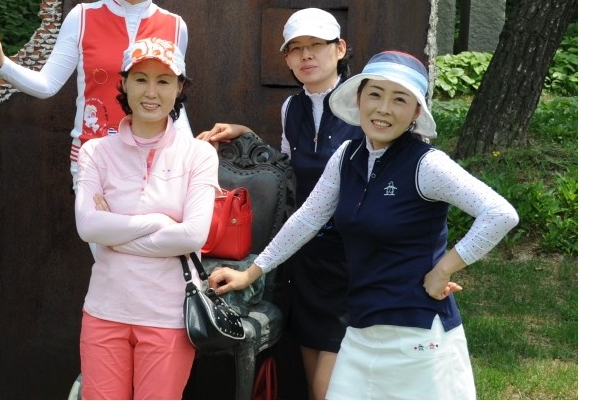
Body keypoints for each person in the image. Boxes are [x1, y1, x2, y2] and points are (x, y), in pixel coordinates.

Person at [208, 50, 519, 400]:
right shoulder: (348, 156)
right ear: (359, 99)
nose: (383, 108)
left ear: (416, 112)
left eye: (399, 99)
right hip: (360, 327)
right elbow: (308, 218)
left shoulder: (427, 165)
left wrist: (443, 269)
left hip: (416, 331)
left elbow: (500, 214)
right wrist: (252, 273)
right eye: (375, 94)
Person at [196, 8, 359, 399]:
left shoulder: (363, 103)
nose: (306, 55)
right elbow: (289, 166)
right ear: (286, 58)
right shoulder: (292, 107)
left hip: (351, 255)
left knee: (333, 381)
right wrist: (246, 134)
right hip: (304, 251)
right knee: (311, 363)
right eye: (295, 48)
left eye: (316, 45)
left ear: (339, 49)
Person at [0, 0, 193, 188]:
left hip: (160, 163)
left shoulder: (175, 26)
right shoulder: (83, 17)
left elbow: (174, 103)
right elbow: (47, 85)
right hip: (95, 162)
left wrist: (191, 158)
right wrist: (2, 63)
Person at [74, 37, 219, 399]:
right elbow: (88, 226)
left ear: (179, 87)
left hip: (168, 316)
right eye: (140, 79)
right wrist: (161, 224)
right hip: (104, 311)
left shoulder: (199, 154)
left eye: (163, 81)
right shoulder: (95, 151)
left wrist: (115, 234)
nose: (151, 92)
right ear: (123, 83)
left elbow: (192, 236)